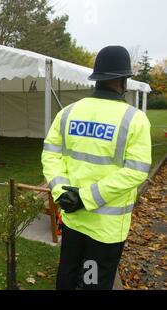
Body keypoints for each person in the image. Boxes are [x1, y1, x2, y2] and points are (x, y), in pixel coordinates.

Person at [41, 46, 152, 290]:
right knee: (92, 280)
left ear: (96, 79)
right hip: (106, 229)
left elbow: (50, 156)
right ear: (123, 81)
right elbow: (136, 171)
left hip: (72, 217)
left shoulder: (67, 113)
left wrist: (62, 193)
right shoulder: (134, 119)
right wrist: (87, 197)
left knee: (68, 274)